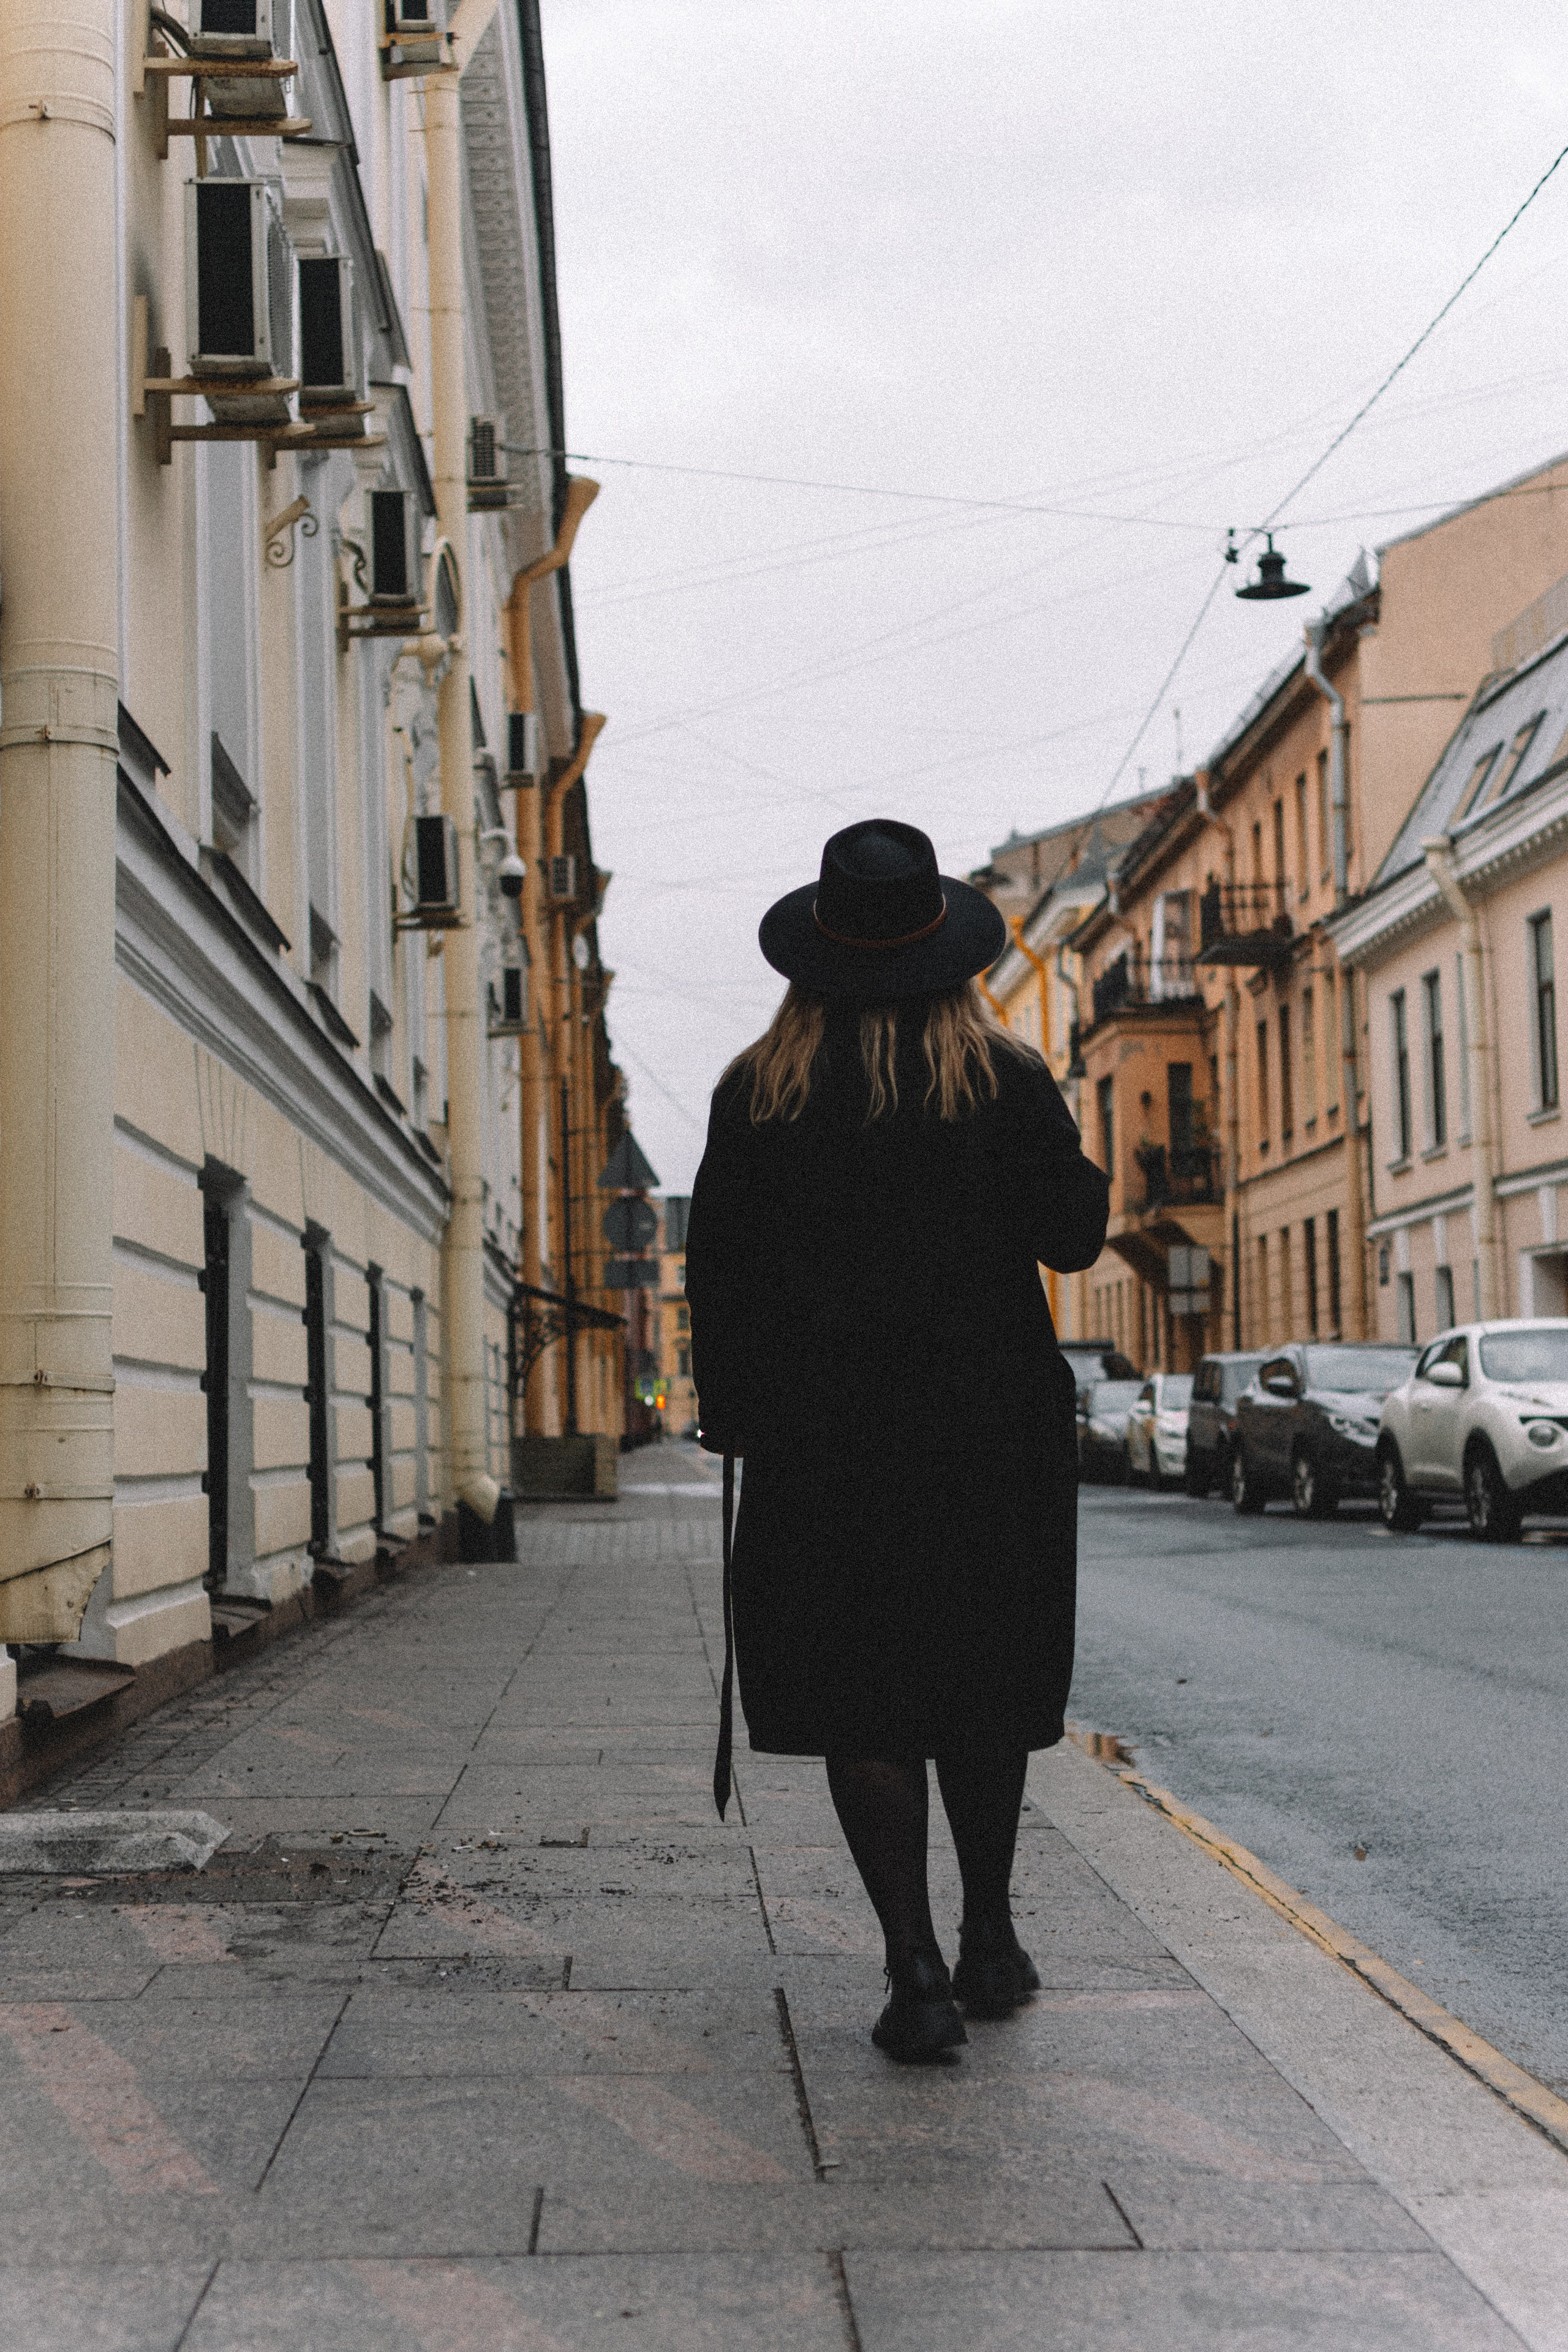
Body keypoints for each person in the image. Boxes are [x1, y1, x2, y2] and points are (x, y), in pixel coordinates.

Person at [685, 818, 1109, 2059]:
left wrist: (732, 1410)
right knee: (982, 1681)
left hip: (824, 1442)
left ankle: (914, 1973)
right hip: (990, 1437)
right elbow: (1072, 1238)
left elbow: (719, 1275)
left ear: (814, 955)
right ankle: (989, 1939)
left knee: (863, 1695)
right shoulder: (1007, 1081)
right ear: (952, 959)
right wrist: (1072, 1157)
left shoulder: (754, 1093)